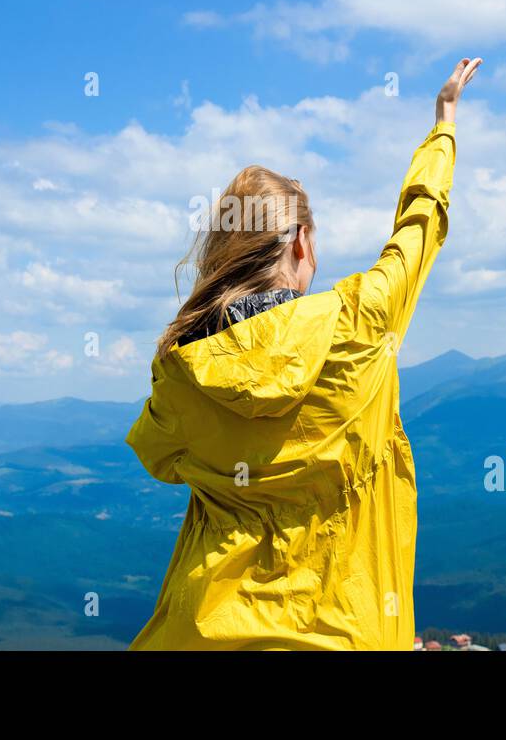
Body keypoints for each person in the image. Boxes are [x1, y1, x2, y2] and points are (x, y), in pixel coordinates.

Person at [125, 58, 483, 649]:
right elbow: (419, 227)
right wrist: (443, 125)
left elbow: (156, 456)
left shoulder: (182, 371)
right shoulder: (362, 317)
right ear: (299, 242)